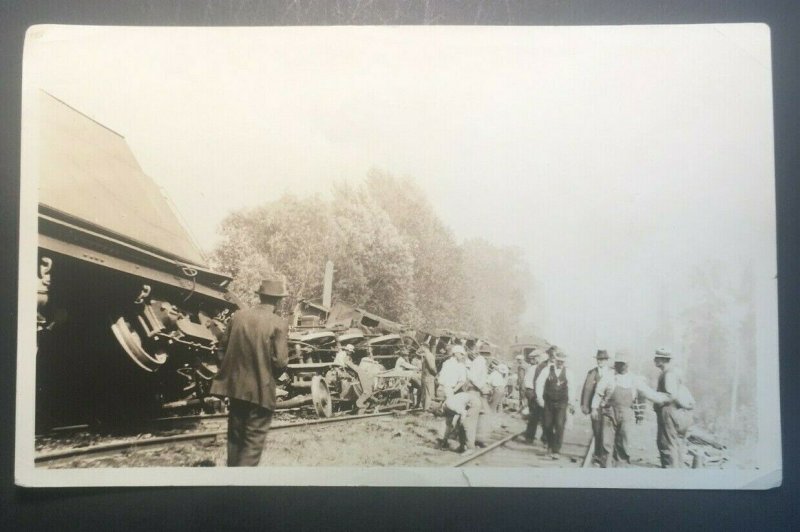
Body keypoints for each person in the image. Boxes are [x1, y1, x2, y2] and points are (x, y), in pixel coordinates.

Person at [210, 278, 289, 467]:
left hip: (236, 390)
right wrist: (269, 377)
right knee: (252, 443)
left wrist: (231, 374)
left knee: (235, 440)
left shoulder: (238, 316)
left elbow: (221, 351)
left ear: (260, 296)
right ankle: (241, 489)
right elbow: (280, 362)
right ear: (278, 301)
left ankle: (231, 484)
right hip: (261, 392)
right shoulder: (279, 323)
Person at [593, 352, 667, 467]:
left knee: (623, 441)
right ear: (615, 364)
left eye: (623, 364)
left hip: (626, 413)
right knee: (606, 442)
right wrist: (594, 408)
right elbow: (598, 393)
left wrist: (665, 398)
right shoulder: (608, 376)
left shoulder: (634, 379)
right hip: (609, 412)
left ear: (627, 365)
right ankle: (606, 467)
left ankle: (621, 466)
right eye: (618, 363)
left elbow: (648, 393)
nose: (621, 366)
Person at [653, 348, 694, 468]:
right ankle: (677, 472)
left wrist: (658, 401)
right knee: (675, 444)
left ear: (663, 360)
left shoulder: (669, 374)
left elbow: (671, 395)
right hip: (673, 412)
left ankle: (669, 475)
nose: (655, 360)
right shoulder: (671, 372)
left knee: (667, 444)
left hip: (669, 412)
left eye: (657, 358)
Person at [535, 349, 577, 459]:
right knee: (547, 425)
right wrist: (539, 397)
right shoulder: (547, 370)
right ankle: (550, 445)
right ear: (555, 360)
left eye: (562, 361)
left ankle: (556, 450)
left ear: (565, 362)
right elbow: (539, 383)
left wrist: (572, 402)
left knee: (559, 425)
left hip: (562, 403)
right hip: (548, 402)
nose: (560, 363)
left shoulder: (568, 372)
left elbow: (572, 387)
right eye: (558, 361)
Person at [580, 349, 611, 465]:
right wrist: (584, 405)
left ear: (607, 360)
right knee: (597, 430)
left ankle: (607, 455)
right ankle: (598, 455)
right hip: (595, 406)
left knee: (608, 431)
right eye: (599, 359)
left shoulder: (612, 373)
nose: (600, 361)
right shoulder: (592, 373)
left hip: (608, 407)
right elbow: (586, 389)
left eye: (603, 359)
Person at [524, 347, 554, 445]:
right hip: (538, 394)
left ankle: (545, 438)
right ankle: (529, 437)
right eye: (551, 356)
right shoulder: (541, 366)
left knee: (548, 418)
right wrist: (535, 395)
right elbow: (535, 380)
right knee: (534, 416)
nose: (553, 358)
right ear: (548, 356)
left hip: (550, 396)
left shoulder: (558, 366)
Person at [465, 344, 494, 448]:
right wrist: (482, 387)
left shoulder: (481, 361)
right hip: (475, 391)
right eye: (487, 354)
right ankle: (471, 441)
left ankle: (477, 439)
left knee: (482, 415)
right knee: (475, 416)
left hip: (478, 391)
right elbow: (472, 377)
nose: (488, 356)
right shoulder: (479, 362)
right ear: (486, 354)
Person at [418, 345, 438, 411]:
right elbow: (432, 367)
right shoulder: (428, 355)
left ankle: (426, 409)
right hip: (427, 377)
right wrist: (436, 374)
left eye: (421, 347)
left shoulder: (428, 355)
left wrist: (435, 373)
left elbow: (431, 367)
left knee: (427, 393)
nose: (420, 348)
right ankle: (426, 409)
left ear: (424, 347)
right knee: (427, 393)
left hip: (427, 376)